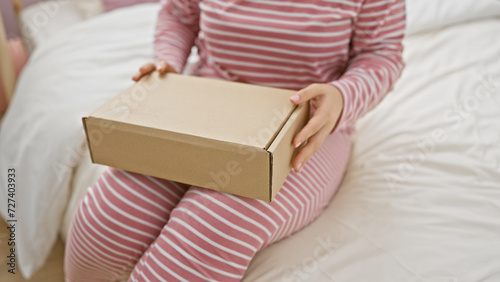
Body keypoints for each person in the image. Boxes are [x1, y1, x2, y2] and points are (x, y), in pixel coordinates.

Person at [65, 0, 405, 281]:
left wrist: (342, 96)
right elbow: (180, 14)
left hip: (305, 123)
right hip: (206, 102)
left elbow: (381, 54)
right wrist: (168, 60)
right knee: (105, 219)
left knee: (213, 226)